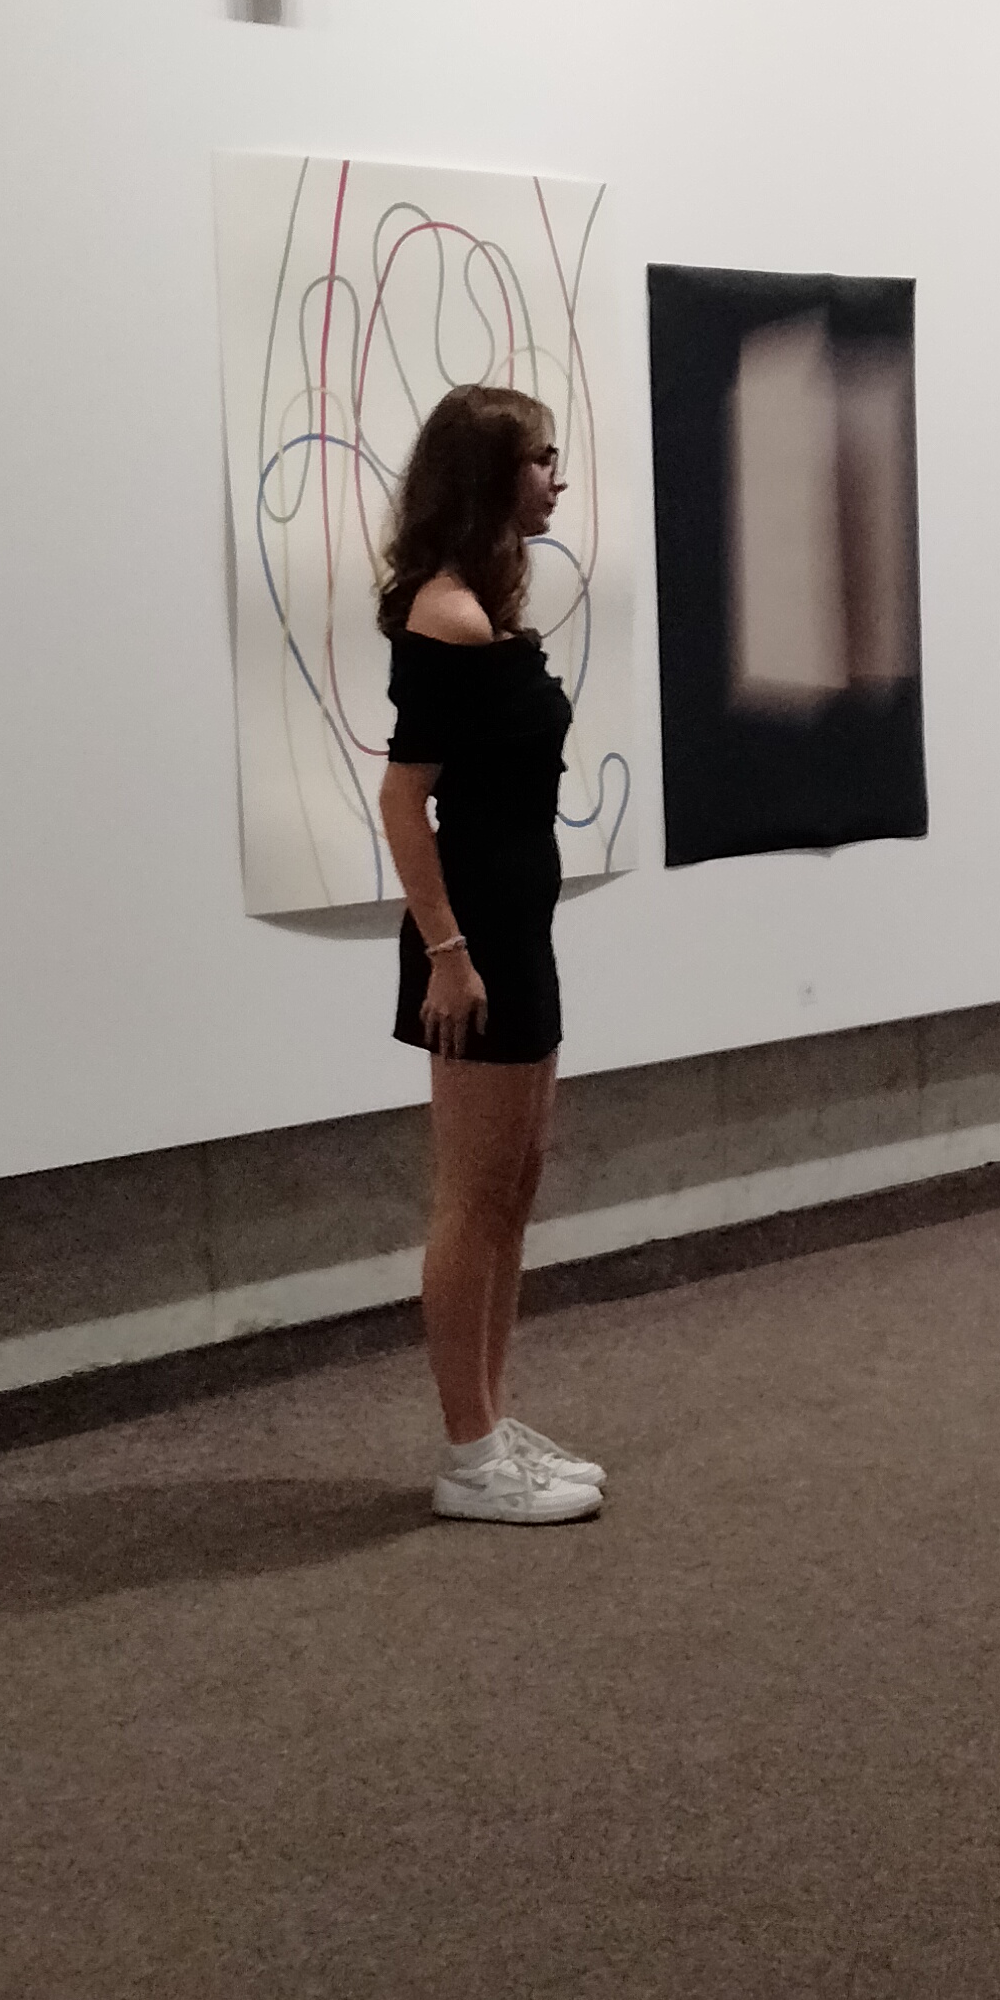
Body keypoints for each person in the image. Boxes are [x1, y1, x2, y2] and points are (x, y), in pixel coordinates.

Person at [375, 384, 605, 1527]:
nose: (555, 478)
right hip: (473, 941)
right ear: (487, 476)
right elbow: (402, 802)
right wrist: (447, 954)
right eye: (539, 459)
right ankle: (467, 1454)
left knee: (514, 1189)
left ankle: (490, 1423)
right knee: (471, 1198)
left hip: (518, 926)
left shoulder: (476, 605)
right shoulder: (443, 615)